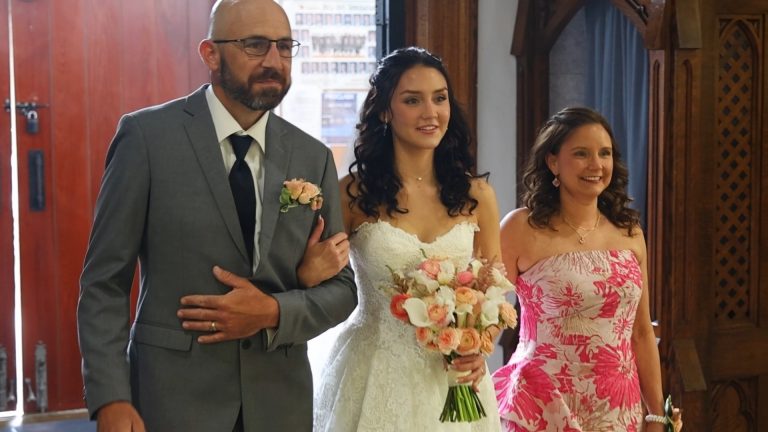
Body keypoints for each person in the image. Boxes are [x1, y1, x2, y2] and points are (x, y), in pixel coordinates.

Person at [76, 1, 356, 431]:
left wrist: (273, 312)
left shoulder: (312, 156)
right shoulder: (146, 139)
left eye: (284, 46)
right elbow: (104, 283)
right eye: (255, 45)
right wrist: (110, 397)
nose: (274, 60)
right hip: (171, 401)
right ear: (210, 53)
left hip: (279, 404)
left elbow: (343, 290)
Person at [313, 47, 503, 431]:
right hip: (375, 371)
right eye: (413, 100)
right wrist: (310, 270)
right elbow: (320, 277)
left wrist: (479, 345)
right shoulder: (351, 194)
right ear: (385, 110)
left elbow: (494, 290)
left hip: (452, 377)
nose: (430, 112)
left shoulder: (477, 195)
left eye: (440, 98)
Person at [491, 107, 680, 431]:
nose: (596, 165)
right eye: (581, 153)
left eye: (604, 153)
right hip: (542, 404)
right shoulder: (520, 227)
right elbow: (488, 314)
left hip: (618, 409)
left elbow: (641, 332)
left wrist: (656, 414)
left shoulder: (629, 231)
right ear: (553, 161)